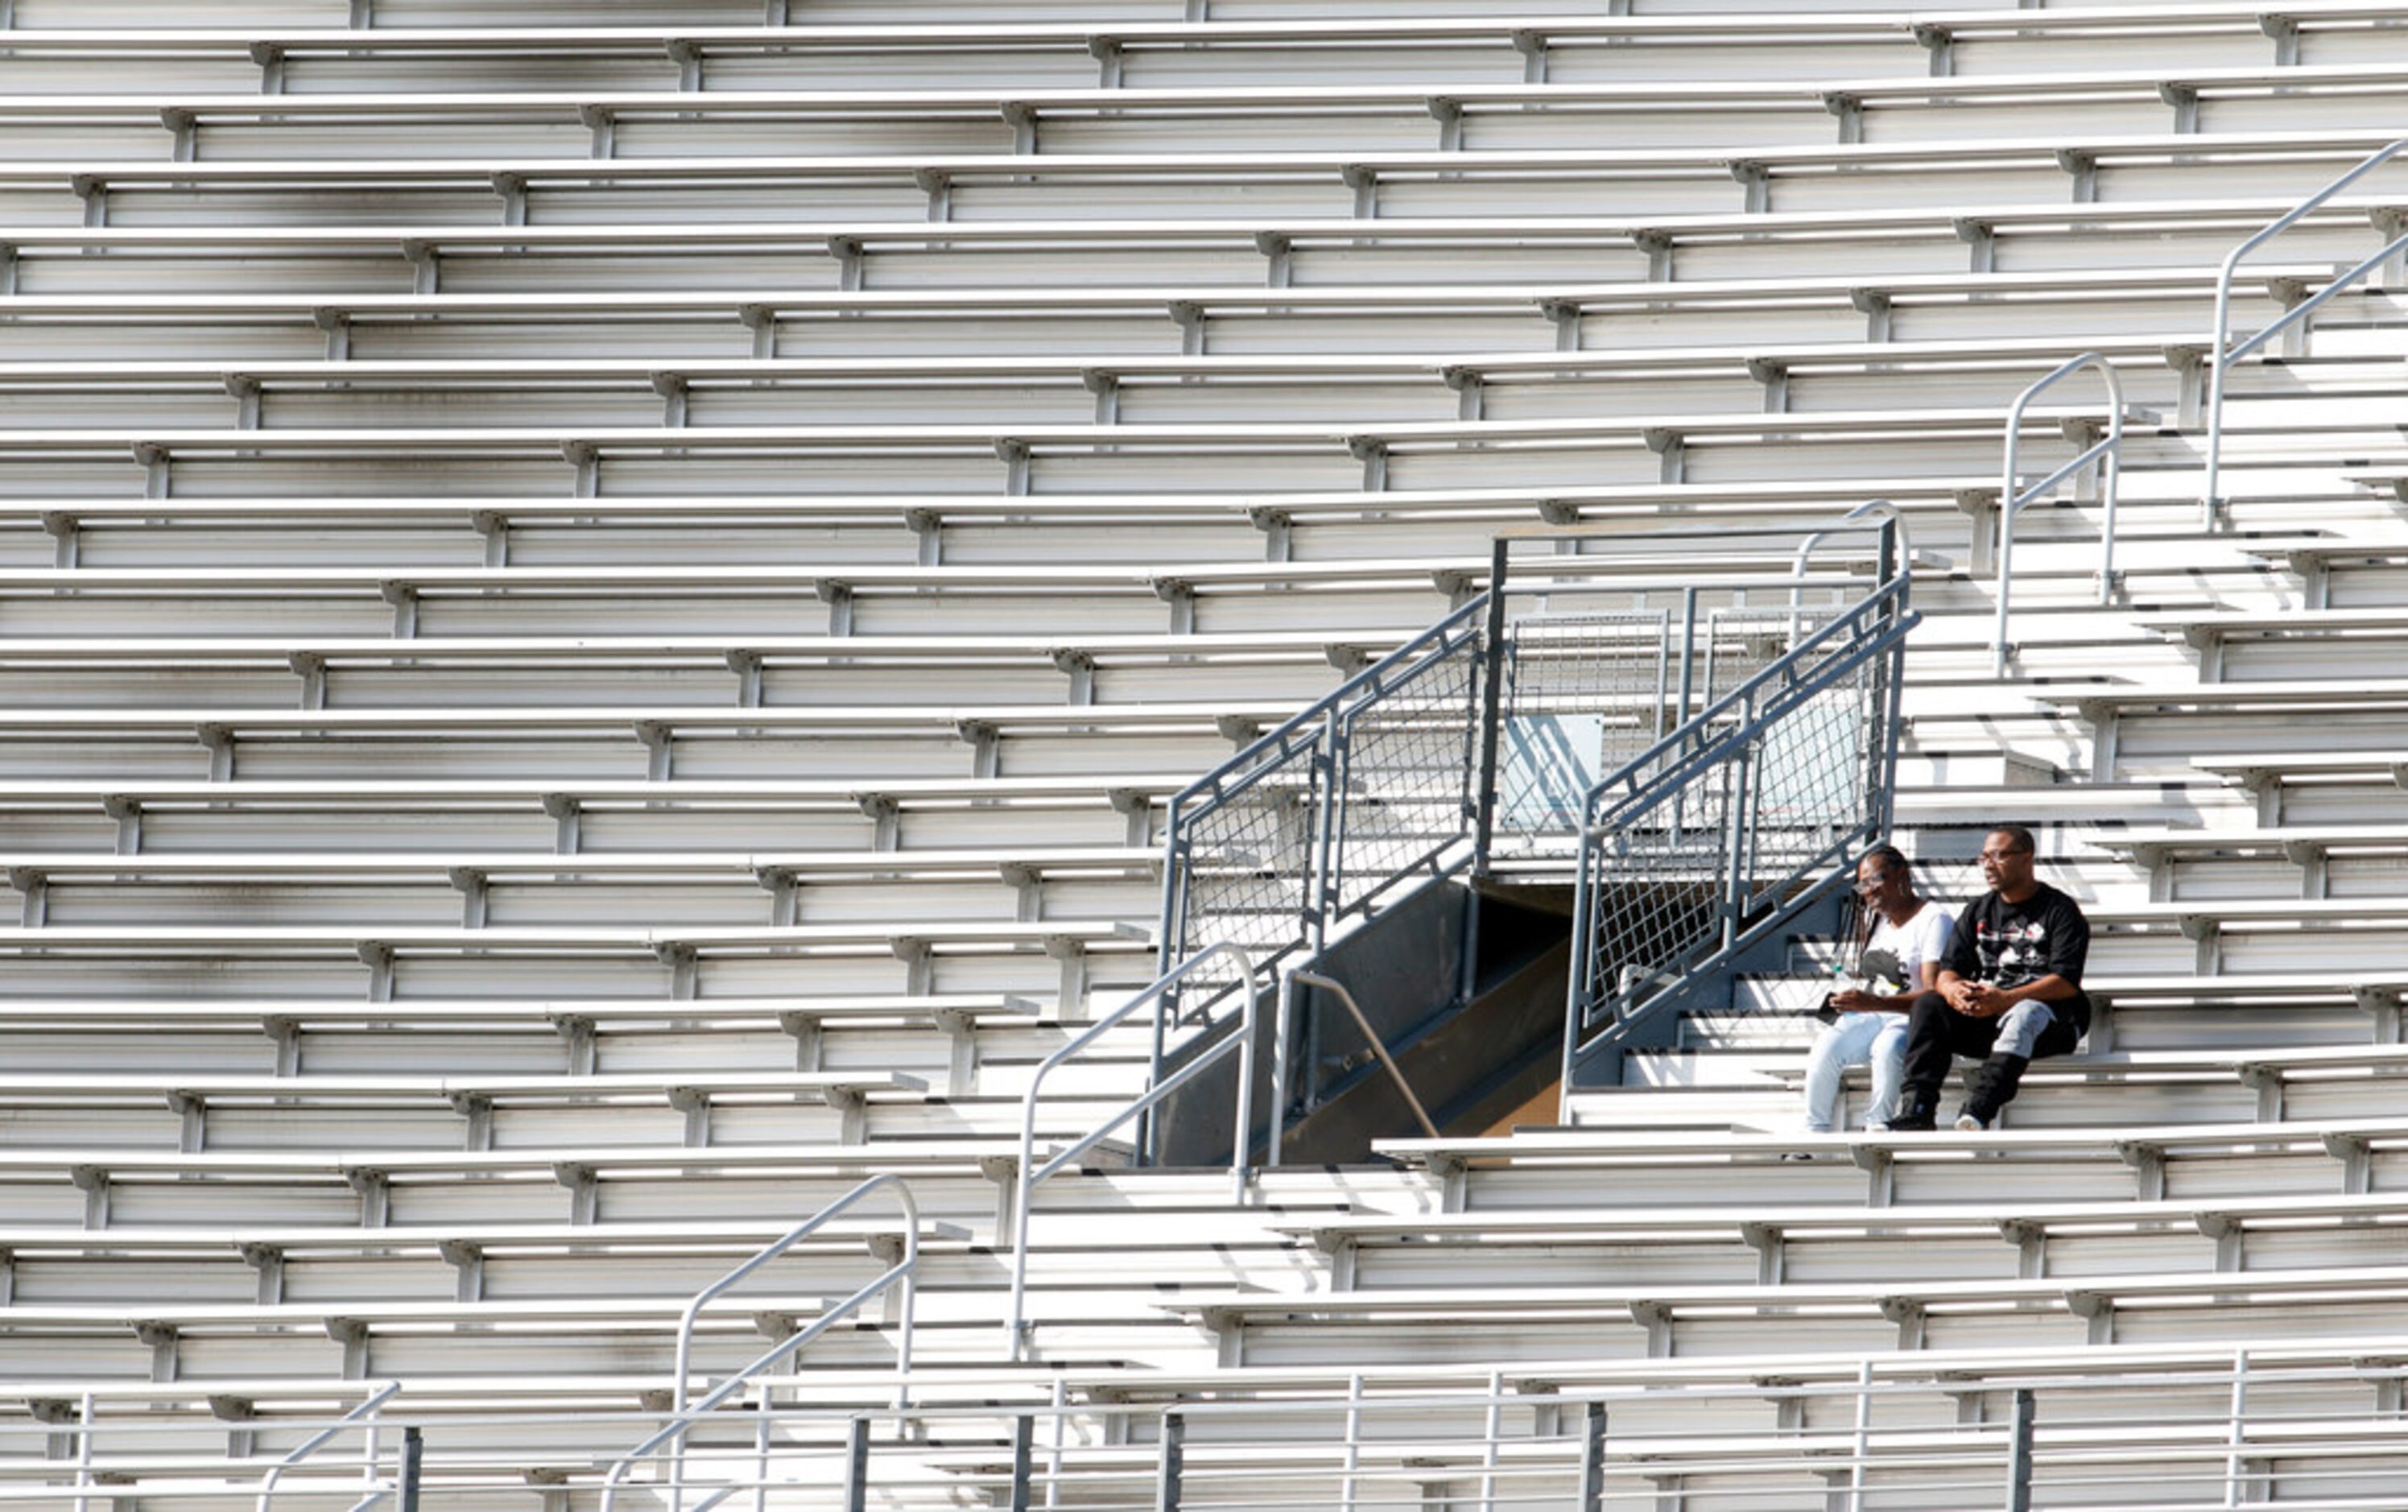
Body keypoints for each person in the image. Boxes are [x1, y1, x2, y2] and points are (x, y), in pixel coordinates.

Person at [1887, 824, 2091, 1132]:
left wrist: (2006, 999)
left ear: (2027, 858)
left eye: (1999, 855)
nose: (1988, 865)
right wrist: (1953, 989)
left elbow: (2065, 982)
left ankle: (1979, 1110)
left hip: (2052, 1024)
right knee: (1929, 1003)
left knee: (2025, 1012)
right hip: (1989, 1018)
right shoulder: (1978, 910)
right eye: (1983, 857)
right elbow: (1947, 971)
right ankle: (1917, 1110)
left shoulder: (2060, 910)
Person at [1798, 845, 1954, 1135]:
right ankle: (1813, 1133)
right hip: (1875, 1013)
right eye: (1862, 884)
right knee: (1826, 1046)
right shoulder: (1878, 922)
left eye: (1875, 880)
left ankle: (1877, 1125)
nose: (1868, 891)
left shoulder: (1934, 919)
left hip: (1913, 1018)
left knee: (1886, 1048)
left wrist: (1874, 1002)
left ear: (1901, 875)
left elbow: (1934, 993)